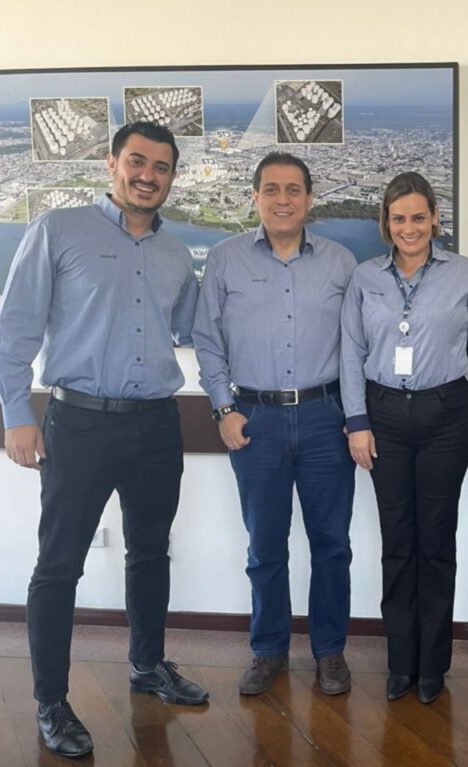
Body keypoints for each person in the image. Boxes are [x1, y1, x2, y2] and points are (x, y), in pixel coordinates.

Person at [0, 121, 207, 759]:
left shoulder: (176, 254)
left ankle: (148, 665)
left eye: (161, 167)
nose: (148, 176)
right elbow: (14, 332)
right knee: (59, 565)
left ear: (172, 177)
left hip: (157, 423)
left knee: (151, 552)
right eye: (137, 161)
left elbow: (198, 329)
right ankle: (50, 701)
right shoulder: (57, 230)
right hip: (79, 423)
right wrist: (16, 413)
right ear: (112, 164)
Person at [340, 171, 468, 704]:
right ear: (386, 222)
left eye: (419, 217)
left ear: (435, 218)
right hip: (383, 415)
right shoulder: (365, 278)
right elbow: (350, 351)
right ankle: (401, 662)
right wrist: (357, 421)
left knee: (437, 542)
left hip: (445, 414)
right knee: (398, 542)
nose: (409, 228)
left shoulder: (462, 272)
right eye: (399, 218)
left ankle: (433, 667)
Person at [193, 152, 357, 697]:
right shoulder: (225, 259)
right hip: (254, 419)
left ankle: (330, 651)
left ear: (310, 199)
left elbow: (357, 346)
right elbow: (207, 341)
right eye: (271, 189)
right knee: (265, 545)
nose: (282, 200)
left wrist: (355, 416)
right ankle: (268, 651)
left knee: (331, 544)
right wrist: (224, 408)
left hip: (324, 417)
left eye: (292, 190)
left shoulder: (340, 262)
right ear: (256, 197)